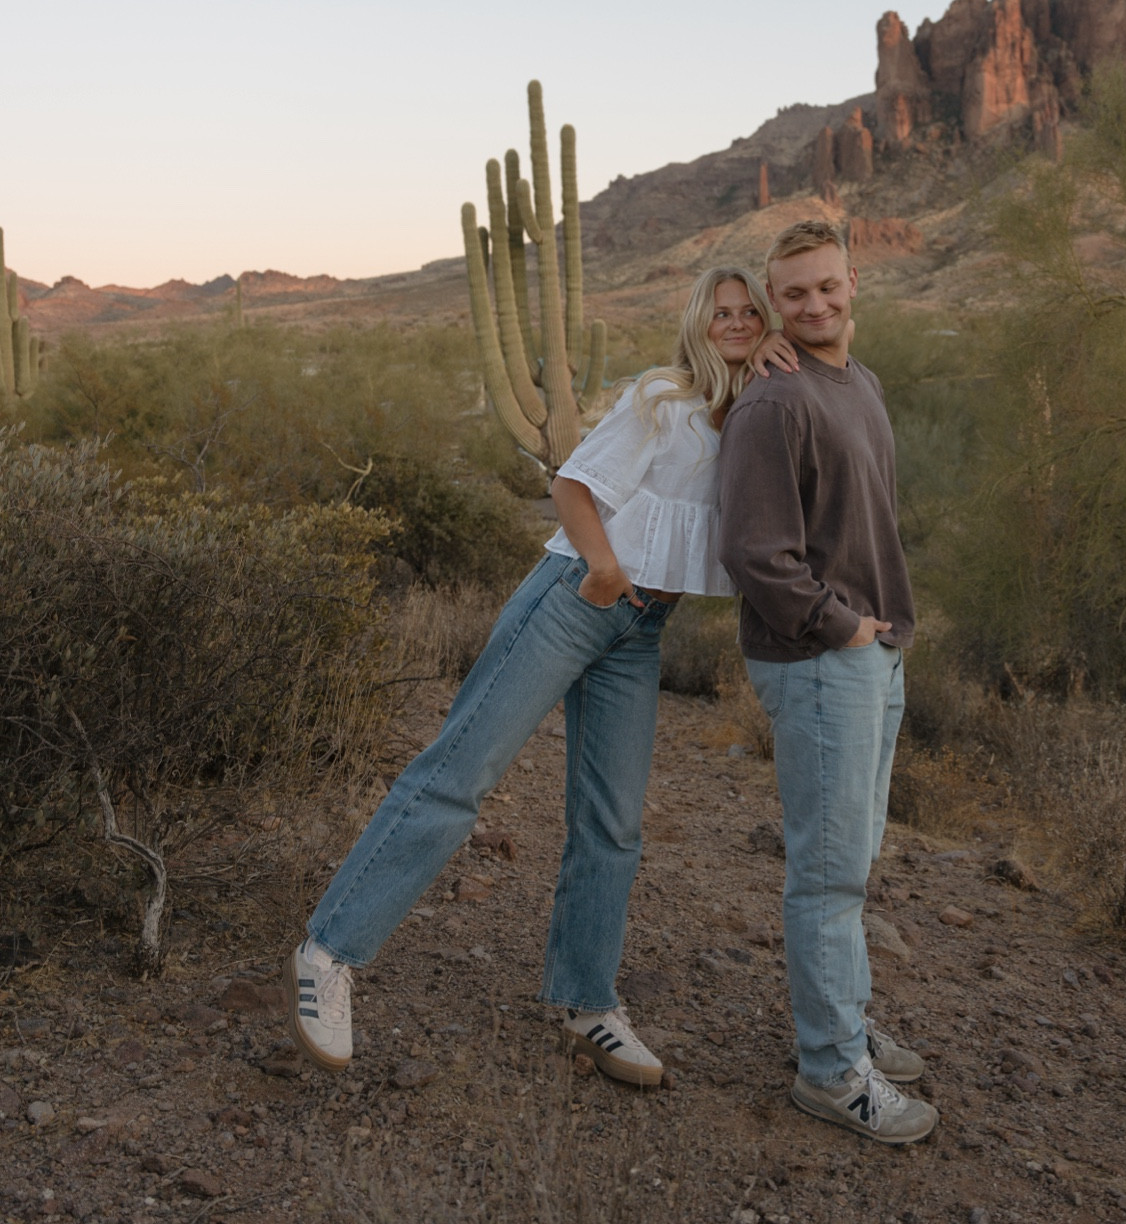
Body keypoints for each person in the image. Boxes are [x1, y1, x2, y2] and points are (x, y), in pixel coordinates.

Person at [286, 266, 795, 1089]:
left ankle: (585, 1002)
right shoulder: (660, 397)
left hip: (639, 627)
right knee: (459, 776)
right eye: (721, 313)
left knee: (613, 824)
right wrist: (598, 570)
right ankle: (329, 953)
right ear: (696, 324)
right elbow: (571, 483)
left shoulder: (747, 415)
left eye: (749, 314)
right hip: (575, 598)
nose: (734, 324)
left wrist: (778, 350)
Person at [718, 220, 939, 1146]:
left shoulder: (863, 384)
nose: (813, 306)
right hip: (818, 663)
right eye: (793, 295)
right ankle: (828, 1069)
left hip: (870, 656)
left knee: (854, 859)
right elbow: (753, 553)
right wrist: (842, 626)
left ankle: (844, 1024)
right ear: (775, 302)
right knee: (827, 874)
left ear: (856, 281)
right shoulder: (775, 403)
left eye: (826, 287)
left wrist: (878, 636)